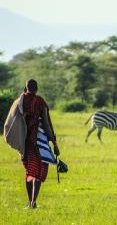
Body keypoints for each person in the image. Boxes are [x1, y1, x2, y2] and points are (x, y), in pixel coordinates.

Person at [22, 79, 60, 209]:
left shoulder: (20, 101)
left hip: (24, 142)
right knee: (38, 170)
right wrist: (54, 143)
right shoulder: (40, 102)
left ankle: (29, 202)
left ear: (25, 88)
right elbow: (46, 123)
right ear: (36, 88)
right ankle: (33, 201)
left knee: (29, 170)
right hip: (39, 141)